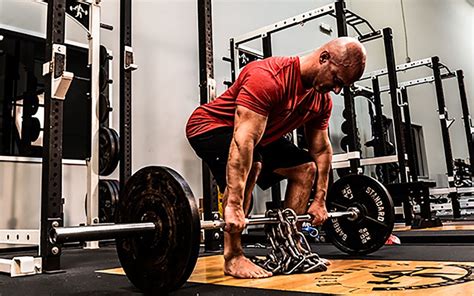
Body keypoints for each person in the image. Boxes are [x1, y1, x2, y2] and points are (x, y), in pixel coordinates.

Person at [186, 37, 366, 279]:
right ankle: (233, 257)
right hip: (209, 126)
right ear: (324, 58)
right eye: (336, 80)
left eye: (341, 86)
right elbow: (243, 141)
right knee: (254, 162)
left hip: (257, 137)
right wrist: (234, 206)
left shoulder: (320, 100)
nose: (336, 89)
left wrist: (320, 199)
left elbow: (321, 151)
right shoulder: (269, 77)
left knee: (305, 168)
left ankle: (291, 248)